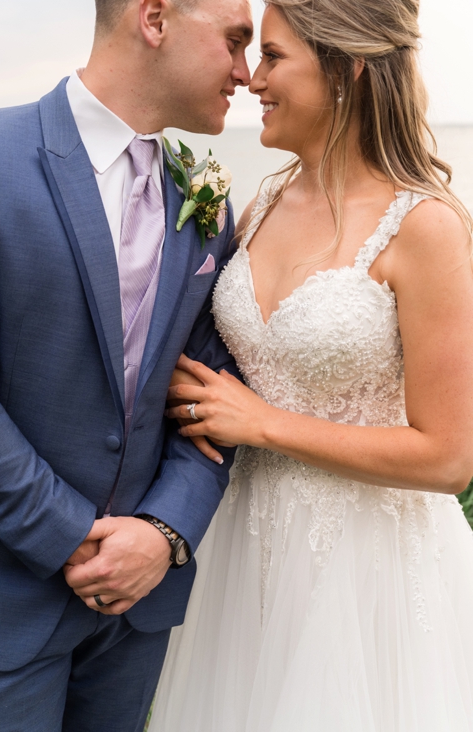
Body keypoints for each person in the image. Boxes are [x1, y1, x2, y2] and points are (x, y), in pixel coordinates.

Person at [151, 1, 473, 729]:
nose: (251, 79)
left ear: (347, 68)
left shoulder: (426, 225)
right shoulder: (258, 202)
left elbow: (449, 457)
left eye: (273, 57)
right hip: (240, 552)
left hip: (366, 576)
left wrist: (265, 424)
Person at [0, 0, 254, 727]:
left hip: (139, 615)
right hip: (11, 594)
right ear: (156, 18)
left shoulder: (208, 203)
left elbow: (215, 390)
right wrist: (72, 535)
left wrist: (163, 534)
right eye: (234, 41)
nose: (246, 72)